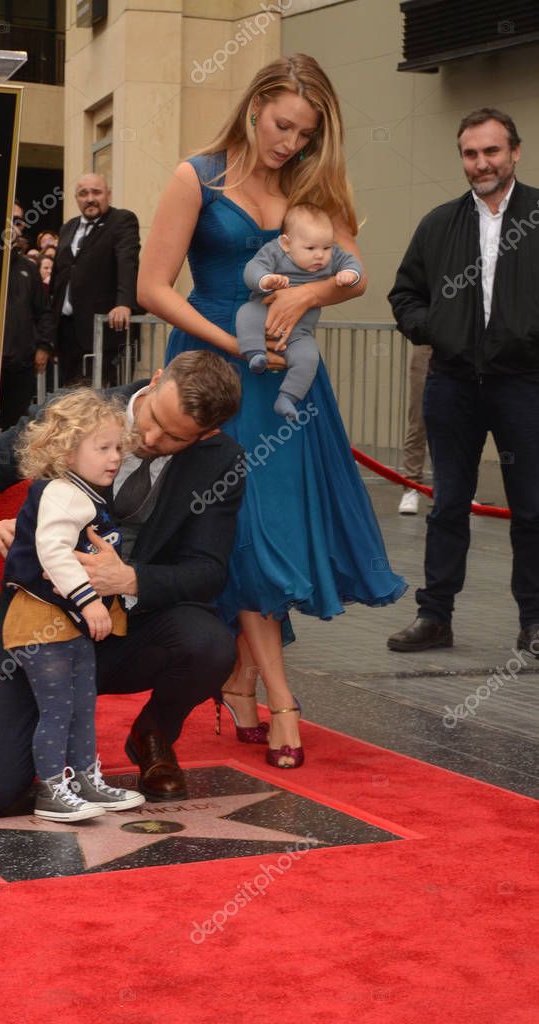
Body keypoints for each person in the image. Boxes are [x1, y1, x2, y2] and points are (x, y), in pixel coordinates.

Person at [137, 53, 406, 769]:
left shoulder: (312, 183)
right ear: (255, 105)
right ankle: (282, 700)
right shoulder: (194, 175)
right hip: (214, 369)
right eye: (282, 124)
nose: (289, 142)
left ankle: (242, 680)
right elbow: (153, 287)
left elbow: (353, 272)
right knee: (246, 526)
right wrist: (236, 344)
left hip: (288, 380)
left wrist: (305, 296)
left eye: (304, 133)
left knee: (278, 525)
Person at [0, 350, 244, 813]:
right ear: (158, 377)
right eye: (152, 418)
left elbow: (208, 570)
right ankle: (57, 762)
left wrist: (129, 578)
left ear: (206, 434)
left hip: (132, 632)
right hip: (46, 634)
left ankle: (153, 734)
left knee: (211, 644)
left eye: (173, 438)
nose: (148, 438)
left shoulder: (222, 459)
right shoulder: (79, 412)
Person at [387, 108, 539, 655]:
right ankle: (436, 617)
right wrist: (439, 330)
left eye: (492, 151)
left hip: (525, 385)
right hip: (452, 383)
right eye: (471, 154)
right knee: (448, 503)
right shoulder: (438, 224)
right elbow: (405, 294)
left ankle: (535, 621)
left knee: (532, 507)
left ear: (515, 152)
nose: (481, 163)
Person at [3, 390, 145, 820]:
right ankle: (51, 790)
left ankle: (84, 779)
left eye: (118, 447)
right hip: (41, 619)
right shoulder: (64, 493)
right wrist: (90, 603)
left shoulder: (87, 492)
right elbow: (54, 551)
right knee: (58, 708)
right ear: (66, 450)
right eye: (102, 447)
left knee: (83, 705)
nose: (115, 457)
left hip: (68, 622)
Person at [236, 203, 361, 418]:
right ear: (286, 244)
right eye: (311, 248)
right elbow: (252, 269)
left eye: (327, 247)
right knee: (247, 313)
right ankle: (255, 353)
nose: (320, 256)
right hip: (264, 314)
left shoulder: (332, 258)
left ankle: (288, 397)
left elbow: (351, 261)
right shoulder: (274, 251)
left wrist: (350, 273)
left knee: (308, 358)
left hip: (300, 332)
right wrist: (265, 279)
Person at [50, 173, 140, 387]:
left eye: (96, 192)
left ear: (108, 194)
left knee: (102, 400)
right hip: (66, 332)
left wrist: (124, 303)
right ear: (76, 199)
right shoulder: (67, 227)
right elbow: (58, 275)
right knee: (68, 398)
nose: (90, 198)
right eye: (83, 193)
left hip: (104, 332)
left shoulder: (122, 220)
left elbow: (127, 262)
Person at [0, 201, 53, 429]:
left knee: (13, 428)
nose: (13, 226)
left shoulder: (29, 269)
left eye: (18, 222)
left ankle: (3, 465)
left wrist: (43, 347)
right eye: (9, 219)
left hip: (20, 365)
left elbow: (44, 312)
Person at [397, 345, 432, 515]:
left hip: (461, 348)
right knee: (418, 421)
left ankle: (459, 489)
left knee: (460, 426)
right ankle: (411, 487)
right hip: (428, 346)